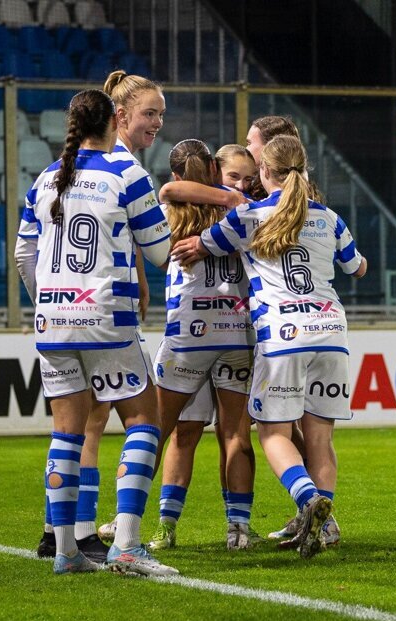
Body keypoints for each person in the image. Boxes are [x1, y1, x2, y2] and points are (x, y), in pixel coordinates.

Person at [171, 134, 367, 558]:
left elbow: (200, 246)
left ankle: (308, 500)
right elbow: (358, 267)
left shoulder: (249, 216)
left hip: (282, 336)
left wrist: (189, 246)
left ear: (263, 172)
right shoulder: (330, 217)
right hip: (332, 333)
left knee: (274, 433)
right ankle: (326, 525)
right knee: (320, 437)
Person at [14, 88, 178, 576]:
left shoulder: (45, 179)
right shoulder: (126, 173)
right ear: (113, 122)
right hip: (107, 317)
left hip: (52, 322)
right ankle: (127, 546)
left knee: (66, 433)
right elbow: (159, 251)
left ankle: (65, 551)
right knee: (145, 420)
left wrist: (50, 299)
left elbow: (24, 256)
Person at [147, 139, 258, 551]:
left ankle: (154, 525)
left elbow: (167, 192)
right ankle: (238, 529)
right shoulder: (247, 214)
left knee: (171, 432)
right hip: (235, 333)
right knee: (235, 434)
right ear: (214, 171)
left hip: (187, 335)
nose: (241, 186)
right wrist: (235, 196)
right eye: (233, 177)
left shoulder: (169, 213)